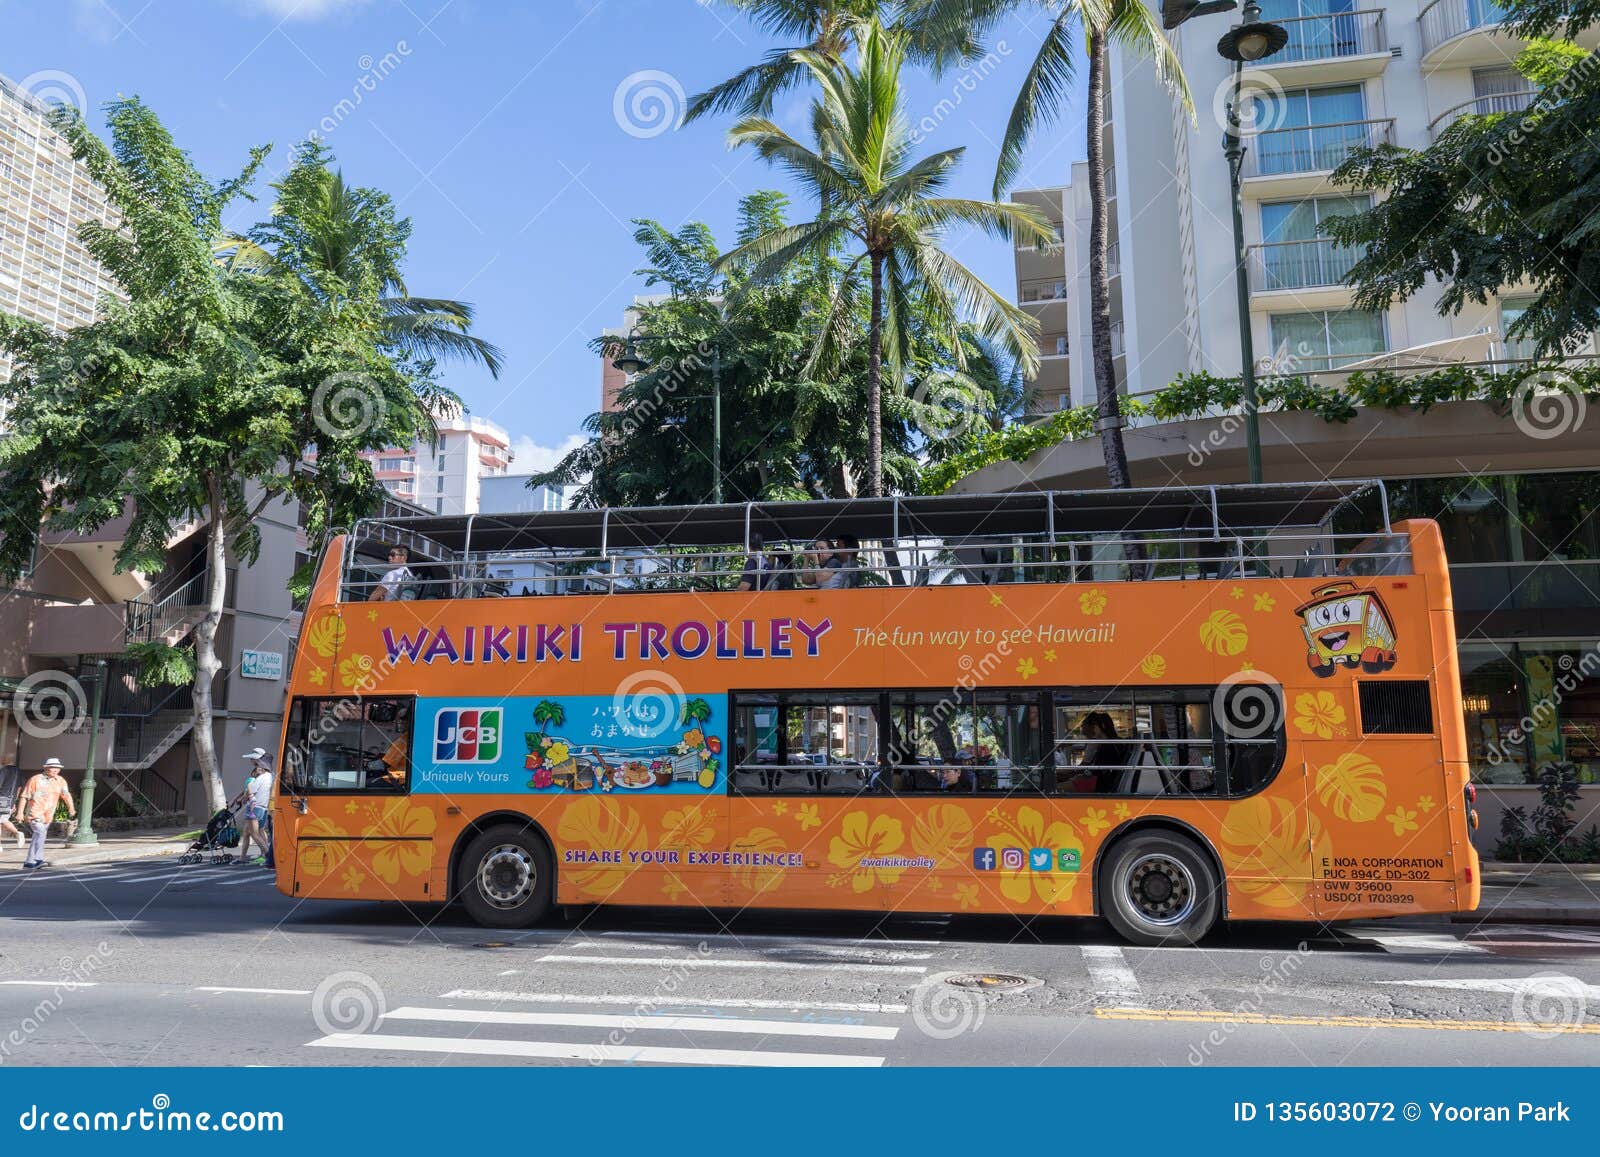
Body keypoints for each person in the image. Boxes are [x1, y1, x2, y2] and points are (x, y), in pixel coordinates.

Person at [17, 757, 75, 869]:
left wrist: (71, 808)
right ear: (46, 768)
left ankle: (29, 862)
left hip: (48, 815)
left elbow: (66, 795)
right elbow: (24, 796)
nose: (56, 770)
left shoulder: (60, 781)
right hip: (34, 813)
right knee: (40, 833)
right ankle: (38, 858)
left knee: (38, 836)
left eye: (58, 768)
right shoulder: (35, 779)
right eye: (53, 767)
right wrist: (20, 813)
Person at [230, 749, 275, 866]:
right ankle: (242, 857)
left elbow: (250, 791)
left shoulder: (260, 778)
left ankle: (268, 856)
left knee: (254, 833)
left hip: (254, 808)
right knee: (248, 832)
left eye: (254, 760)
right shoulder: (270, 776)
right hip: (263, 808)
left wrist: (242, 799)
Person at [0, 764, 22, 850]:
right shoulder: (18, 771)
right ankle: (16, 833)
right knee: (2, 820)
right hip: (10, 800)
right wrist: (14, 802)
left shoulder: (4, 770)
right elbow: (19, 788)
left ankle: (17, 833)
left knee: (2, 821)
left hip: (2, 799)